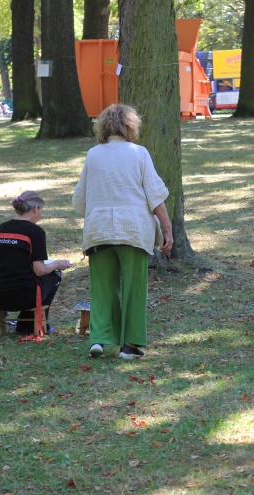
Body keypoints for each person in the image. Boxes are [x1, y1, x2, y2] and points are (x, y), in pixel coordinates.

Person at [73, 104, 173, 360]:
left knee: (102, 289)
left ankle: (99, 339)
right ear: (131, 126)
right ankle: (129, 346)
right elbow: (155, 196)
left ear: (103, 126)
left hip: (99, 231)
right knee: (134, 290)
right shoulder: (139, 153)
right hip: (133, 230)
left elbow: (79, 201)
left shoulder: (93, 154)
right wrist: (167, 229)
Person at [0, 191, 72, 335]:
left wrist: (11, 263)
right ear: (36, 208)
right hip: (26, 297)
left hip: (0, 297)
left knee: (31, 280)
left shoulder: (1, 229)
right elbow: (40, 270)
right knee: (55, 274)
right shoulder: (35, 232)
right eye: (41, 210)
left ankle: (23, 326)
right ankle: (34, 326)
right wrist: (57, 264)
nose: (41, 214)